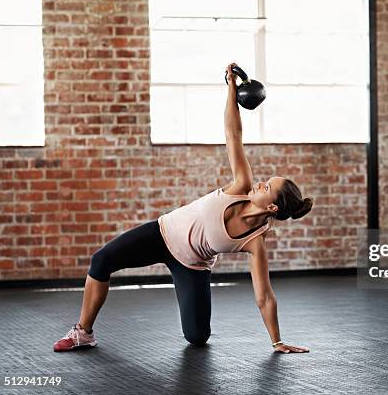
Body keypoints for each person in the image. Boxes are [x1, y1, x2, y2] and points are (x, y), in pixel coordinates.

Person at [53, 63, 312, 354]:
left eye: (267, 186)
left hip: (192, 264)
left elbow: (264, 296)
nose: (261, 182)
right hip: (162, 233)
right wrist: (230, 88)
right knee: (101, 260)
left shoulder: (255, 242)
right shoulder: (241, 184)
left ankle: (197, 326)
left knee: (197, 337)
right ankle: (83, 333)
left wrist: (276, 341)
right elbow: (233, 134)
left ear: (273, 206)